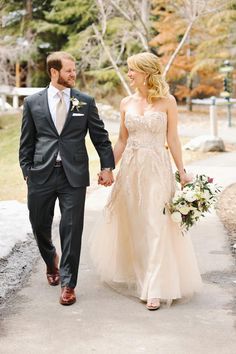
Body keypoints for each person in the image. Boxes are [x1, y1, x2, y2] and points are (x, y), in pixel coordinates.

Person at [92, 52, 202, 311]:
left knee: (156, 224)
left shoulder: (168, 102)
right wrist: (108, 168)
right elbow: (121, 140)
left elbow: (173, 139)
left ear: (146, 72)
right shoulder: (125, 103)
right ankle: (141, 276)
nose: (129, 74)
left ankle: (154, 288)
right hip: (131, 171)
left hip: (156, 170)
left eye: (132, 70)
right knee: (136, 225)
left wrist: (182, 172)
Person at [19, 51, 115, 306]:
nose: (74, 74)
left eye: (74, 69)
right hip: (41, 174)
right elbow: (26, 141)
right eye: (69, 70)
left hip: (73, 175)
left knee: (72, 229)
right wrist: (27, 171)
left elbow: (101, 138)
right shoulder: (32, 102)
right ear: (54, 72)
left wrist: (107, 167)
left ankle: (68, 283)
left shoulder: (84, 101)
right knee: (39, 225)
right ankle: (51, 261)